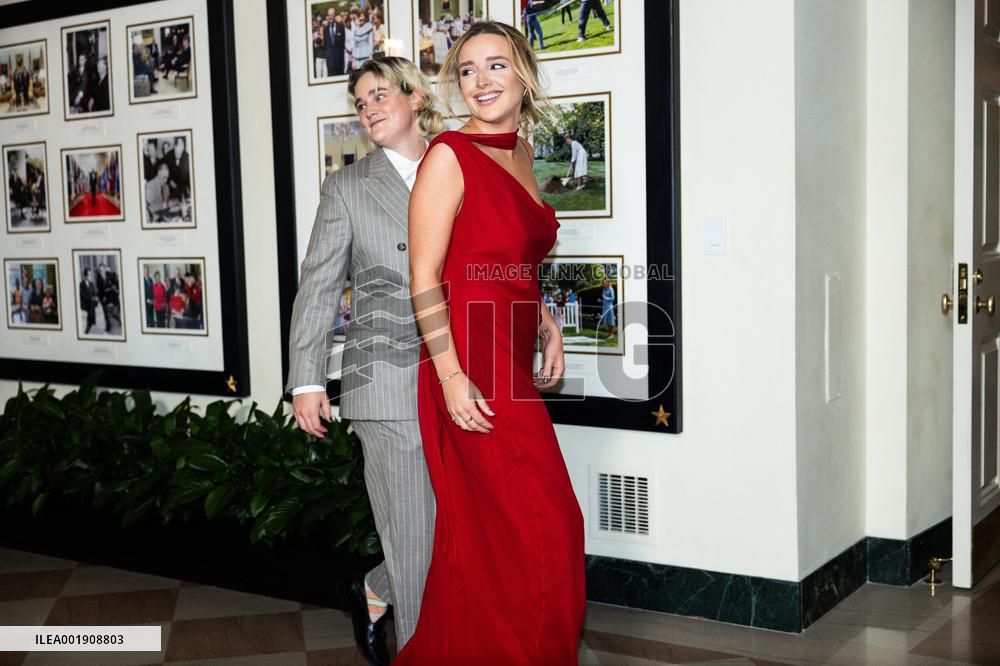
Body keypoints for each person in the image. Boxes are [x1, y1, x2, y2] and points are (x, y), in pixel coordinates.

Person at [399, 20, 585, 664]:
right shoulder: (448, 154)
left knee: (493, 540)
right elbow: (423, 276)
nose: (481, 80)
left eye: (496, 65)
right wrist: (450, 376)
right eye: (469, 69)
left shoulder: (523, 154)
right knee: (547, 528)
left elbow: (516, 263)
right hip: (467, 359)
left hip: (509, 352)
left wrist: (547, 323)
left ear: (523, 74)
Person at [285, 56, 445, 666]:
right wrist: (307, 378)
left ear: (415, 97)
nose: (369, 109)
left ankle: (372, 587)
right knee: (412, 533)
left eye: (380, 94)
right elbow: (319, 285)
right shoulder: (349, 187)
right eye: (360, 102)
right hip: (386, 378)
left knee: (455, 526)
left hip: (460, 373)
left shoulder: (457, 165)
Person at [324, 8, 346, 77]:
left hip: (339, 60)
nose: (330, 17)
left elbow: (343, 42)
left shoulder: (341, 27)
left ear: (334, 15)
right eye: (328, 15)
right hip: (330, 60)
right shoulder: (325, 29)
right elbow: (326, 44)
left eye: (331, 15)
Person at [80, 268, 99, 334]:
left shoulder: (92, 284)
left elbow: (95, 293)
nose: (90, 276)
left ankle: (90, 325)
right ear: (85, 276)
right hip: (85, 303)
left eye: (90, 275)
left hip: (91, 303)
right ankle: (92, 323)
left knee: (92, 305)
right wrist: (92, 298)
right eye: (88, 275)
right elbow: (83, 296)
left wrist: (96, 297)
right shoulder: (81, 285)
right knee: (91, 304)